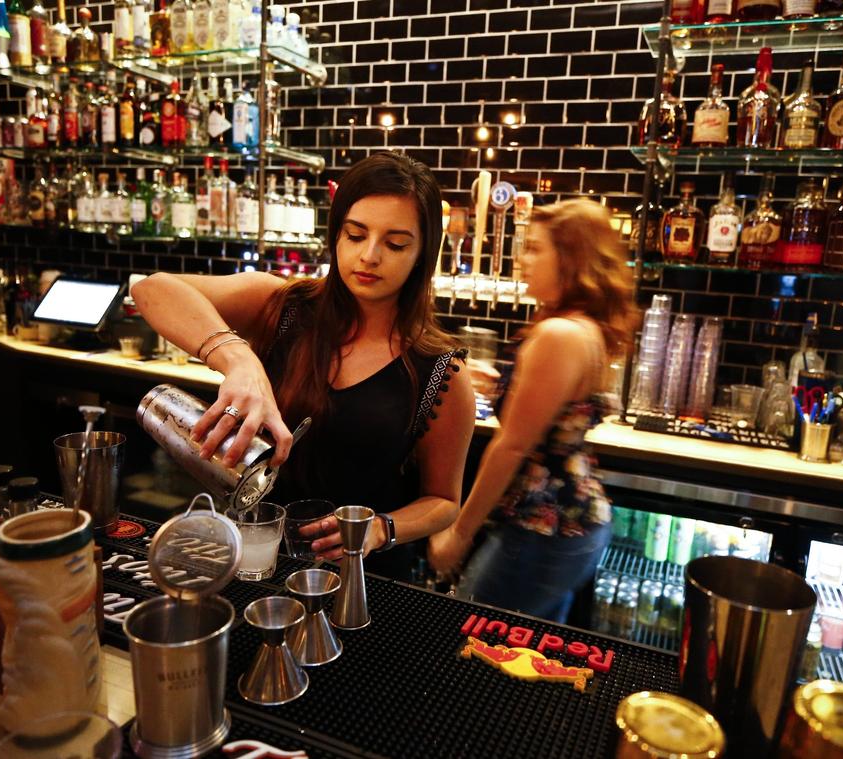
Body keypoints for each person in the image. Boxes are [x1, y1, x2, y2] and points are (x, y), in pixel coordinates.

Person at [132, 152, 475, 580]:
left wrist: (380, 528)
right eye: (355, 235)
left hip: (362, 578)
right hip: (255, 558)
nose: (369, 255)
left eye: (395, 244)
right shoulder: (284, 307)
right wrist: (239, 361)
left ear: (422, 253)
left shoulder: (440, 372)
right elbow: (151, 289)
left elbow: (443, 501)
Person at [427, 199, 638, 622]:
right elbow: (557, 416)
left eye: (536, 249)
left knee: (474, 636)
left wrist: (459, 533)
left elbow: (511, 447)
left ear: (572, 259)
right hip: (573, 522)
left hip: (544, 524)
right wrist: (503, 385)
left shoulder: (558, 335)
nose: (523, 260)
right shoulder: (584, 328)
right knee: (532, 648)